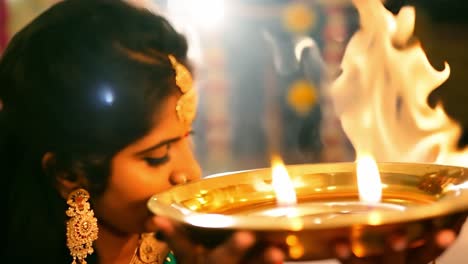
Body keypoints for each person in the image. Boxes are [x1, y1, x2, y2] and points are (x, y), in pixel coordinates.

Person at [1, 1, 284, 263]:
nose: (191, 172)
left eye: (188, 137)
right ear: (68, 173)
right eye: (157, 156)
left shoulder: (190, 247)